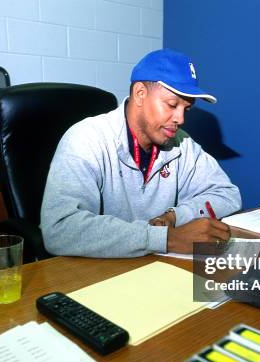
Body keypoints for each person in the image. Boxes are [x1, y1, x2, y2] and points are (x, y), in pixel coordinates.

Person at [41, 48, 241, 257]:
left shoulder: (181, 142)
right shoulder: (85, 139)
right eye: (172, 104)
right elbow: (60, 229)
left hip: (154, 267)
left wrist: (175, 216)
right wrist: (167, 239)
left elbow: (227, 194)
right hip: (95, 272)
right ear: (140, 94)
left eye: (186, 109)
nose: (180, 119)